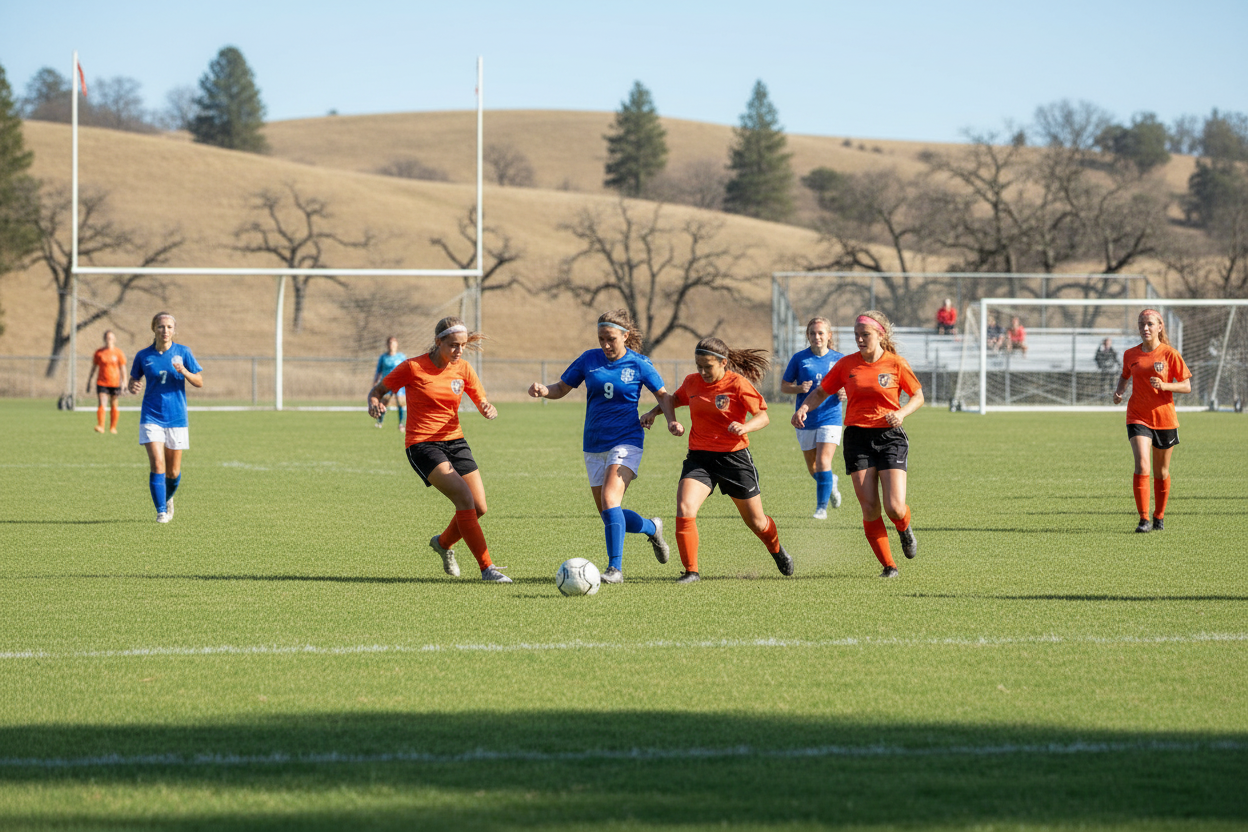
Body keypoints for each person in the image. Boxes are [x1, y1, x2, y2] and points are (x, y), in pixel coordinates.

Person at [527, 310, 680, 584]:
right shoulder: (589, 359)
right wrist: (544, 391)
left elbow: (663, 395)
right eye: (601, 339)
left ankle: (614, 570)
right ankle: (651, 527)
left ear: (625, 336)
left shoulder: (640, 363)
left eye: (611, 339)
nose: (606, 345)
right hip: (593, 443)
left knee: (611, 501)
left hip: (626, 440)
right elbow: (562, 387)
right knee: (609, 514)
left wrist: (670, 421)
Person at [367, 316, 510, 582]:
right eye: (453, 345)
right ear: (438, 342)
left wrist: (486, 408)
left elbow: (481, 399)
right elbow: (378, 390)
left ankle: (443, 543)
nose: (458, 351)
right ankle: (487, 568)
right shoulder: (412, 367)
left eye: (463, 345)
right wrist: (374, 403)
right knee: (464, 500)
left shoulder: (463, 369)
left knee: (479, 507)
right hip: (422, 445)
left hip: (455, 441)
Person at [641, 337, 792, 584]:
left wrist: (745, 427)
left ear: (723, 363)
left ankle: (776, 550)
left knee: (757, 522)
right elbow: (673, 399)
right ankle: (691, 572)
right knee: (684, 508)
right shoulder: (692, 382)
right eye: (698, 365)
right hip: (700, 458)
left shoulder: (738, 384)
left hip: (734, 458)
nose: (702, 371)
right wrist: (654, 413)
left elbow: (763, 416)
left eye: (707, 367)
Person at [792, 311, 924, 578]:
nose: (860, 340)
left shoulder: (896, 364)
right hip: (857, 438)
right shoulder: (845, 364)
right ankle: (889, 566)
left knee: (895, 507)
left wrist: (901, 413)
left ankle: (904, 528)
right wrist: (804, 407)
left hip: (889, 436)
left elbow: (918, 395)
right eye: (856, 335)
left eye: (865, 335)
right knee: (870, 507)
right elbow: (821, 391)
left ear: (880, 335)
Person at [1112, 309, 1192, 533]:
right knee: (1142, 465)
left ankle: (1159, 516)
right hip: (1137, 416)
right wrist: (1119, 392)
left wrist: (1165, 386)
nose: (1144, 328)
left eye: (1149, 324)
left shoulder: (1170, 354)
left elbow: (1186, 386)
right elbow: (1125, 375)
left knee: (1162, 472)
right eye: (1141, 324)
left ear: (1160, 327)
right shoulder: (1131, 354)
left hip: (1165, 419)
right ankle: (1143, 519)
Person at [127, 313, 203, 523]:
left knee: (173, 471)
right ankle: (161, 511)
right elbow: (134, 379)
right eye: (161, 327)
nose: (165, 331)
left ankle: (168, 498)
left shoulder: (183, 352)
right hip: (151, 416)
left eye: (169, 327)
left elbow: (199, 381)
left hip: (177, 418)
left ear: (174, 330)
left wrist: (185, 371)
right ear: (154, 329)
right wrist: (132, 385)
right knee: (158, 464)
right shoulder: (144, 356)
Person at [780, 316, 844, 518]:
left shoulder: (840, 359)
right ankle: (830, 482)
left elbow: (851, 385)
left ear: (829, 335)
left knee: (824, 462)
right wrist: (799, 388)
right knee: (813, 468)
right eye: (812, 333)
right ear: (807, 336)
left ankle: (821, 508)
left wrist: (845, 392)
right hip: (805, 418)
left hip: (830, 417)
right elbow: (784, 386)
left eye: (820, 333)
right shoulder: (800, 358)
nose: (816, 337)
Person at [86, 330, 127, 434]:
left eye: (111, 338)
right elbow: (94, 367)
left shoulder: (118, 353)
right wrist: (89, 380)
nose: (109, 340)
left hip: (115, 382)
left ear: (115, 339)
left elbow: (123, 368)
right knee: (102, 402)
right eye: (107, 338)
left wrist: (124, 382)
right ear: (104, 339)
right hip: (102, 382)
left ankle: (113, 427)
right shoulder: (99, 352)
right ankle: (101, 426)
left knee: (114, 404)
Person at [372, 336, 407, 429]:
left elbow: (407, 370)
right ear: (387, 345)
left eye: (393, 342)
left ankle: (401, 424)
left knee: (401, 402)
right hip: (386, 383)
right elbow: (378, 371)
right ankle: (380, 422)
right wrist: (375, 382)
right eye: (390, 343)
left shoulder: (401, 357)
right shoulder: (383, 357)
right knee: (384, 402)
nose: (391, 345)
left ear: (396, 344)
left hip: (399, 384)